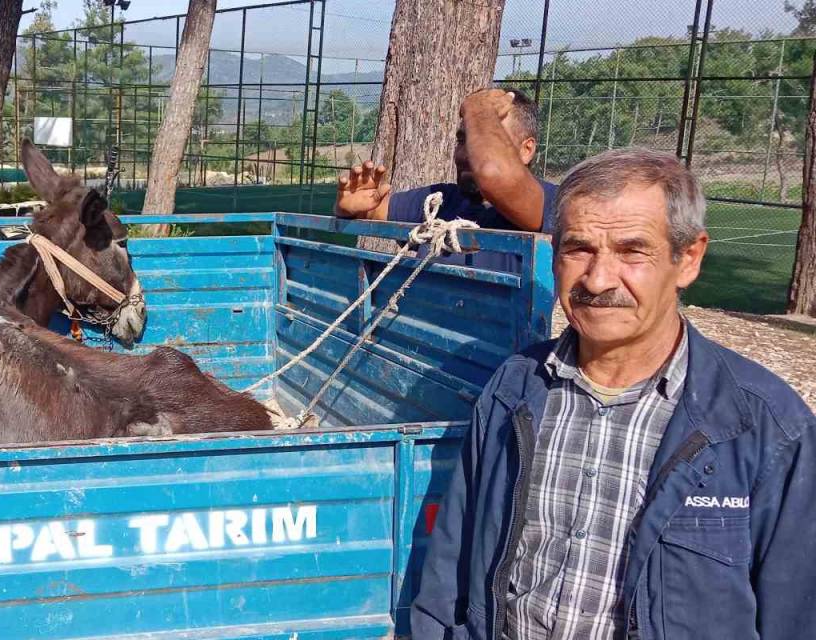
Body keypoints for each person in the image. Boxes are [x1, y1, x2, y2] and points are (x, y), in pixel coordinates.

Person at [410, 147, 816, 640]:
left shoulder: (766, 428)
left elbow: (795, 613)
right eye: (579, 249)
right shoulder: (515, 387)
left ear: (687, 259)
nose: (599, 280)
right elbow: (453, 562)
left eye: (632, 251)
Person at [334, 88, 554, 235]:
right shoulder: (442, 200)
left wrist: (477, 107)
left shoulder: (552, 203)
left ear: (527, 150)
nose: (468, 153)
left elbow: (492, 172)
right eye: (462, 139)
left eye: (487, 141)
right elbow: (373, 210)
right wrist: (352, 205)